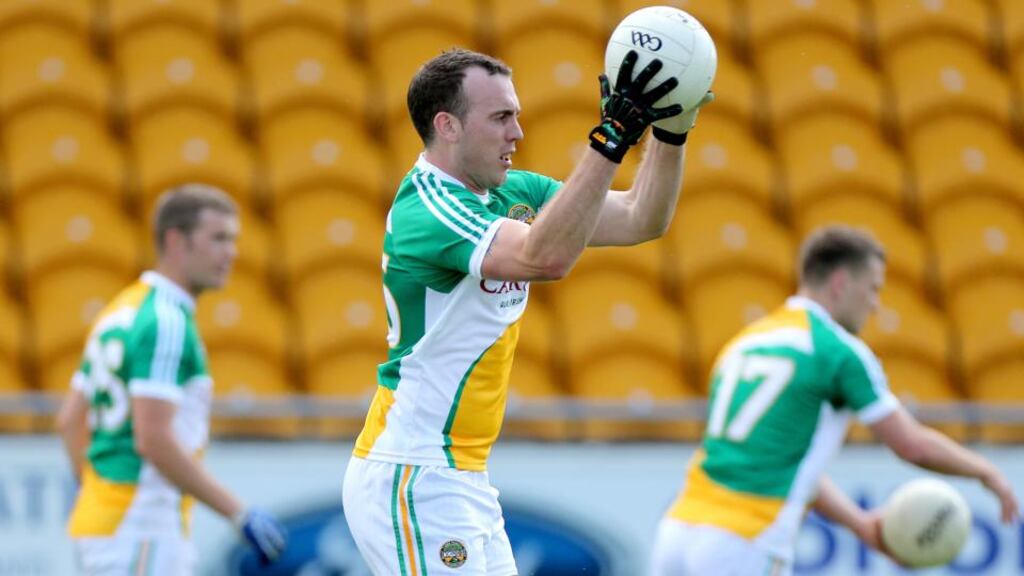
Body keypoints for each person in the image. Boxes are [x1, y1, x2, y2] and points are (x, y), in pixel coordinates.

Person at [342, 47, 712, 575]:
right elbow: (546, 257)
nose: (517, 132)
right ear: (447, 125)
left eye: (515, 114)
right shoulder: (429, 206)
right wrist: (609, 141)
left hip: (458, 472)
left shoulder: (514, 192)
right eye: (501, 117)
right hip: (415, 472)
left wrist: (671, 130)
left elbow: (639, 218)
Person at [649, 225, 1020, 576]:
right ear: (841, 282)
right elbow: (912, 445)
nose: (875, 305)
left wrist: (858, 523)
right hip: (747, 537)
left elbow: (791, 464)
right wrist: (986, 472)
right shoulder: (838, 352)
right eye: (872, 288)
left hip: (678, 531)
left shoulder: (746, 342)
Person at [56, 184, 287, 575]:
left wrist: (101, 494)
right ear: (176, 240)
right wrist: (239, 514)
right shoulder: (166, 320)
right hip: (142, 526)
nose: (230, 252)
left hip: (104, 524)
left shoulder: (121, 309)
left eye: (232, 240)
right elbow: (155, 439)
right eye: (218, 238)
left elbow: (68, 421)